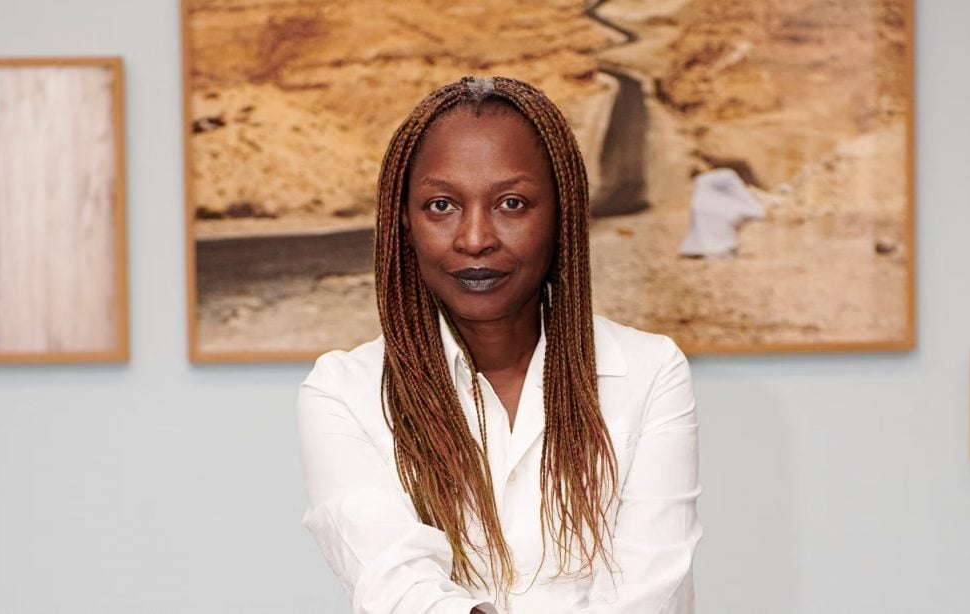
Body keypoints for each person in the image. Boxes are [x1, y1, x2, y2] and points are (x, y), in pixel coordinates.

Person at [297, 76, 701, 614]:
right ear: (404, 222)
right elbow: (398, 585)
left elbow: (649, 589)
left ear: (560, 214)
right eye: (441, 205)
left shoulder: (651, 371)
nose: (474, 238)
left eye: (511, 203)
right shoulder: (343, 390)